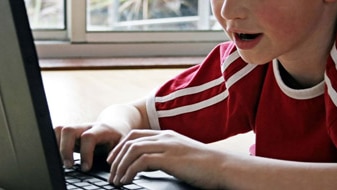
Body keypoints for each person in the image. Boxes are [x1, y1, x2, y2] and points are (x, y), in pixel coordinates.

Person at [55, 0, 337, 189]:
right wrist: (112, 128)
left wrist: (216, 166)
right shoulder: (245, 66)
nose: (227, 11)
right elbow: (137, 113)